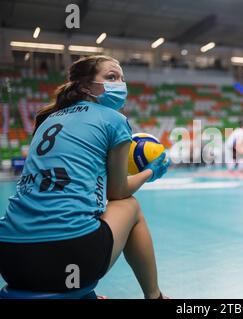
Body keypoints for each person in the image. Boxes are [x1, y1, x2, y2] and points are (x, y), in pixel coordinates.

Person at [0, 55, 170, 299]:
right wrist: (151, 172)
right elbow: (118, 192)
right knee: (129, 206)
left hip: (10, 258)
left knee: (86, 207)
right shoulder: (114, 119)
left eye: (122, 78)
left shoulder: (48, 119)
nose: (120, 83)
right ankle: (155, 296)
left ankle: (80, 289)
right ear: (85, 86)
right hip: (69, 256)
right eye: (111, 77)